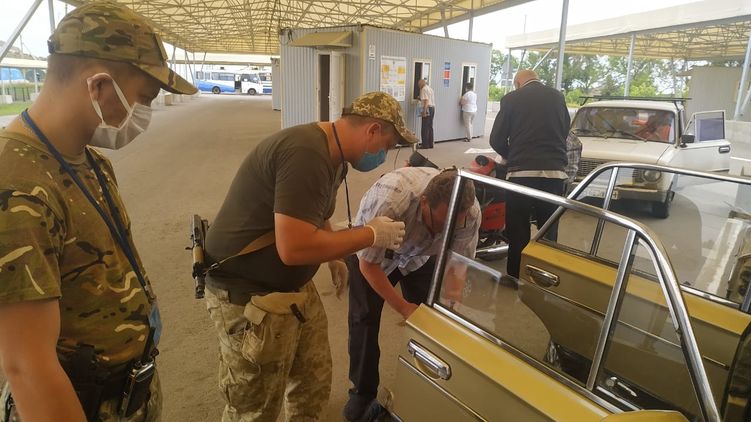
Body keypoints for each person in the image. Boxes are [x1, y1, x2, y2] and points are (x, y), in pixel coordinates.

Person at [0, 3, 197, 421]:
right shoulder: (15, 186)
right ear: (100, 85)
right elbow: (27, 365)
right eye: (144, 97)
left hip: (124, 391)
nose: (144, 112)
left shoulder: (90, 160)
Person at [203, 91, 416, 421]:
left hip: (292, 286)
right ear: (372, 130)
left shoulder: (335, 157)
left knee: (312, 383)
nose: (383, 156)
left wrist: (332, 255)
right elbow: (294, 249)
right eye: (386, 146)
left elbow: (315, 214)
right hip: (249, 292)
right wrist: (371, 234)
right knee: (255, 406)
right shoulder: (306, 154)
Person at [343, 167, 480, 421]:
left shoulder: (469, 213)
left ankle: (427, 382)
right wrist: (403, 307)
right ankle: (361, 393)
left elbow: (457, 266)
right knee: (364, 319)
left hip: (420, 256)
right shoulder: (391, 202)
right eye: (440, 224)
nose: (443, 232)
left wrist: (450, 307)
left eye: (452, 226)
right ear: (424, 202)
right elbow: (368, 266)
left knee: (430, 320)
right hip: (375, 252)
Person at [489, 69, 570, 279]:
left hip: (521, 174)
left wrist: (513, 156)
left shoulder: (511, 99)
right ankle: (545, 275)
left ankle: (516, 276)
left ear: (517, 83)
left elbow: (496, 139)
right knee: (548, 228)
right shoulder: (557, 97)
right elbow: (565, 130)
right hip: (554, 173)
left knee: (518, 226)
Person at [417, 79, 436, 149]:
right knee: (430, 126)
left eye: (419, 85)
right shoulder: (430, 89)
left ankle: (425, 145)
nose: (418, 86)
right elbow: (429, 99)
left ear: (421, 84)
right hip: (432, 108)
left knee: (425, 127)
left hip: (427, 108)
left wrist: (424, 111)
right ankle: (431, 144)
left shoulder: (423, 89)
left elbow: (426, 101)